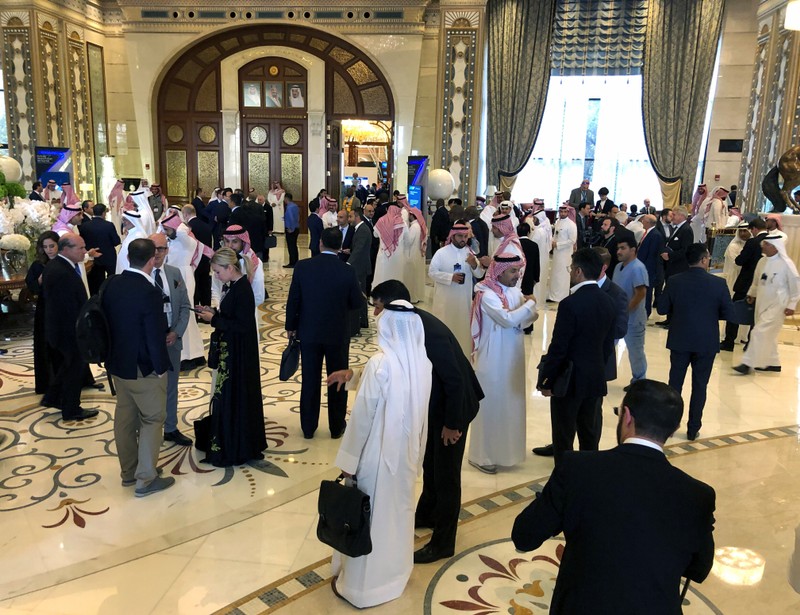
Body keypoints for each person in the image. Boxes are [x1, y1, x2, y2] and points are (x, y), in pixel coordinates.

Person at [512, 379, 716, 614]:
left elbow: (524, 536)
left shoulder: (578, 468)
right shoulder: (698, 495)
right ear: (674, 429)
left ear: (627, 416)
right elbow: (699, 569)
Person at [328, 280, 483, 564]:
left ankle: (443, 541)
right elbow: (395, 368)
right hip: (434, 405)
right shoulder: (408, 323)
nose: (374, 315)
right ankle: (426, 513)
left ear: (392, 306)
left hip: (454, 407)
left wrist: (453, 424)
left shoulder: (427, 331)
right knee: (431, 464)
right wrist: (353, 375)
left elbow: (455, 380)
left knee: (447, 474)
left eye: (377, 307)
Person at [329, 300, 432, 609]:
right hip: (406, 455)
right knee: (397, 515)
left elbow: (362, 418)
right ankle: (394, 575)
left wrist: (348, 462)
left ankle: (363, 589)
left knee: (369, 518)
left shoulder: (381, 363)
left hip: (376, 455)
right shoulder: (422, 362)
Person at [102, 238, 174, 496]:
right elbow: (154, 335)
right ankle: (146, 479)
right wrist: (161, 367)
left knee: (124, 419)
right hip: (143, 368)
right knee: (153, 419)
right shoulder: (149, 292)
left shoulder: (112, 283)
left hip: (117, 365)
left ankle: (129, 473)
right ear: (152, 258)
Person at [536, 248, 615, 464]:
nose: (570, 272)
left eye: (571, 269)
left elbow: (559, 348)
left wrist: (546, 380)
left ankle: (564, 489)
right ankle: (586, 485)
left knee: (564, 437)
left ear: (578, 271)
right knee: (589, 436)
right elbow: (608, 345)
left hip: (569, 382)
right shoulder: (608, 301)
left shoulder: (570, 304)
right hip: (595, 378)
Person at [285, 227, 364, 439]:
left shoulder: (303, 267)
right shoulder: (347, 270)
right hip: (337, 334)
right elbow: (357, 303)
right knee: (337, 380)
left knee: (310, 379)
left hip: (309, 332)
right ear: (340, 247)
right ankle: (336, 427)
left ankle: (308, 428)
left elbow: (294, 299)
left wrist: (290, 327)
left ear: (320, 243)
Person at [196, 248, 267, 466]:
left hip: (239, 354)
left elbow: (242, 325)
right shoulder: (233, 286)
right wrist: (213, 313)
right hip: (233, 351)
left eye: (218, 272)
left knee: (235, 396)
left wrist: (214, 320)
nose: (216, 276)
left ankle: (236, 446)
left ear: (230, 268)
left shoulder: (242, 289)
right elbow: (232, 316)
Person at [468, 254, 537, 474]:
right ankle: (481, 455)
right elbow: (506, 319)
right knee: (491, 406)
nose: (518, 276)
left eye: (518, 270)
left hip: (512, 356)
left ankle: (508, 453)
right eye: (513, 271)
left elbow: (525, 320)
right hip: (492, 358)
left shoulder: (514, 292)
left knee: (510, 406)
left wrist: (526, 311)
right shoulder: (486, 294)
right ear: (500, 272)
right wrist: (529, 305)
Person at [657, 244, 734, 440]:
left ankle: (669, 425)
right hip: (706, 341)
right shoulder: (718, 284)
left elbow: (662, 309)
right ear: (704, 260)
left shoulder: (674, 281)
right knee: (700, 386)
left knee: (674, 385)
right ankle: (693, 428)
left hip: (680, 339)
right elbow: (728, 313)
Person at [40, 233, 98, 421]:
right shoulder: (60, 271)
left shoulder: (60, 265)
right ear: (66, 249)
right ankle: (71, 409)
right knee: (75, 367)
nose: (84, 251)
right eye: (80, 248)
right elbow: (66, 307)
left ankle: (53, 397)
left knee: (68, 366)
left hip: (63, 328)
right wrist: (83, 329)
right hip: (67, 329)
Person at [149, 234, 192, 447]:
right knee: (149, 388)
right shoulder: (139, 276)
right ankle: (149, 429)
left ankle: (171, 427)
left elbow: (185, 306)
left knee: (171, 386)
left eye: (162, 249)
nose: (157, 253)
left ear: (167, 251)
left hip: (172, 340)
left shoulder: (174, 273)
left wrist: (177, 332)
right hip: (149, 344)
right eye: (153, 248)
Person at [734, 236, 800, 374]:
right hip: (762, 303)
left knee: (759, 332)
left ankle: (747, 363)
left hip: (778, 305)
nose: (763, 247)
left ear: (775, 247)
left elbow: (796, 285)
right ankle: (773, 362)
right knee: (768, 334)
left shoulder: (786, 264)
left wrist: (792, 304)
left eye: (767, 245)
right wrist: (751, 294)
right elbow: (757, 281)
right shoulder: (762, 261)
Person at [160, 211, 208, 369]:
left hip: (184, 277)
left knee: (184, 314)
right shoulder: (173, 240)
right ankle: (186, 353)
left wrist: (179, 224)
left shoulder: (187, 240)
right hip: (173, 276)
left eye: (167, 229)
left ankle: (190, 355)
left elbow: (181, 233)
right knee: (177, 315)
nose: (165, 232)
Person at [428, 221, 484, 354]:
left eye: (465, 236)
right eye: (459, 236)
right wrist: (450, 277)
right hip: (445, 302)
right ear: (452, 236)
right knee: (445, 329)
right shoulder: (441, 253)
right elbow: (432, 272)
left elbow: (480, 274)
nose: (463, 239)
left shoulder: (470, 254)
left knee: (462, 333)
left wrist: (474, 265)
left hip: (464, 304)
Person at [720, 217, 768, 350]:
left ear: (754, 229)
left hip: (746, 283)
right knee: (756, 316)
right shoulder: (772, 240)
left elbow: (740, 260)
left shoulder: (753, 242)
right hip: (764, 286)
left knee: (734, 312)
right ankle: (750, 344)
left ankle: (729, 341)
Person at [25, 231, 60, 394]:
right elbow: (31, 286)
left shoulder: (64, 262)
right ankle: (49, 383)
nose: (49, 250)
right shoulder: (38, 265)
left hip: (62, 309)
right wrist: (38, 282)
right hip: (45, 309)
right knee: (46, 345)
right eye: (45, 247)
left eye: (52, 246)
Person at [614, 236, 649, 384]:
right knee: (607, 348)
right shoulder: (618, 267)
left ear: (633, 250)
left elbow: (640, 293)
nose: (619, 251)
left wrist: (625, 311)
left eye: (623, 248)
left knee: (635, 353)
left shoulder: (638, 268)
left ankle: (639, 381)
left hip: (633, 320)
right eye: (618, 248)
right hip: (616, 318)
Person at [213, 224, 265, 322]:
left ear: (243, 242)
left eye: (235, 242)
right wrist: (220, 307)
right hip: (223, 314)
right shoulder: (219, 260)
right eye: (227, 241)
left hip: (245, 316)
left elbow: (258, 296)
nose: (230, 246)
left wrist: (237, 309)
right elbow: (215, 288)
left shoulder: (254, 262)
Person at [657, 205, 695, 327]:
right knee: (670, 292)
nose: (672, 217)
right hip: (672, 266)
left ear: (681, 215)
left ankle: (673, 320)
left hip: (678, 267)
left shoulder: (686, 229)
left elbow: (685, 250)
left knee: (676, 294)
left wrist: (670, 256)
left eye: (674, 214)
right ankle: (669, 318)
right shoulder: (677, 228)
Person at [79, 203, 121, 295]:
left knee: (96, 283)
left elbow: (82, 242)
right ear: (103, 213)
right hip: (108, 257)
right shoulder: (109, 225)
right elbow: (116, 241)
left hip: (93, 258)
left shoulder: (85, 226)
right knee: (111, 280)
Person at [347, 207, 373, 331]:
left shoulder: (362, 230)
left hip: (360, 267)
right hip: (359, 266)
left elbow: (359, 250)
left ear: (357, 217)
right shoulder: (359, 229)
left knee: (361, 294)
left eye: (351, 216)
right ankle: (361, 320)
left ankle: (362, 320)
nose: (349, 219)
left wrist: (348, 263)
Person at [182, 204, 213, 306]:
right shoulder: (206, 225)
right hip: (206, 261)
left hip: (193, 261)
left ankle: (195, 313)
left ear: (186, 214)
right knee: (205, 286)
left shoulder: (188, 228)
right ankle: (206, 310)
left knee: (195, 287)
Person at [637, 214, 666, 317]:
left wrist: (644, 269)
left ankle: (646, 312)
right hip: (644, 267)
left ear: (648, 223)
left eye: (644, 221)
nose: (642, 222)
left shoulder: (655, 235)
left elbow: (652, 255)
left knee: (647, 292)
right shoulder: (649, 233)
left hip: (648, 269)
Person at [548, 204, 577, 302]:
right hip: (556, 254)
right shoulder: (558, 222)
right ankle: (553, 295)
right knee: (555, 275)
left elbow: (572, 240)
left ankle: (561, 297)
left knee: (562, 275)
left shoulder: (571, 225)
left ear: (568, 212)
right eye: (561, 212)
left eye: (565, 212)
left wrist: (558, 244)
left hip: (565, 254)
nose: (563, 213)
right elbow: (555, 235)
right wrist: (552, 242)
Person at [518, 222, 541, 334]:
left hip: (516, 276)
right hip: (529, 277)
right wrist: (536, 278)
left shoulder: (515, 244)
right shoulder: (534, 245)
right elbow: (537, 264)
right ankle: (528, 326)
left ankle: (518, 322)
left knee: (517, 299)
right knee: (528, 300)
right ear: (528, 232)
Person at [116, 209, 148, 274]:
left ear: (132, 221)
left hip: (130, 270)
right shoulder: (132, 233)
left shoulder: (138, 236)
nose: (123, 222)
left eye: (125, 220)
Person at [283, 193, 300, 268]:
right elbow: (297, 217)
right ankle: (295, 261)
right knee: (294, 245)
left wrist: (291, 228)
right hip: (296, 227)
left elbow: (291, 218)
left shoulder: (289, 207)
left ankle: (292, 262)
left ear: (286, 198)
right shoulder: (295, 206)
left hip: (291, 229)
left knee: (291, 246)